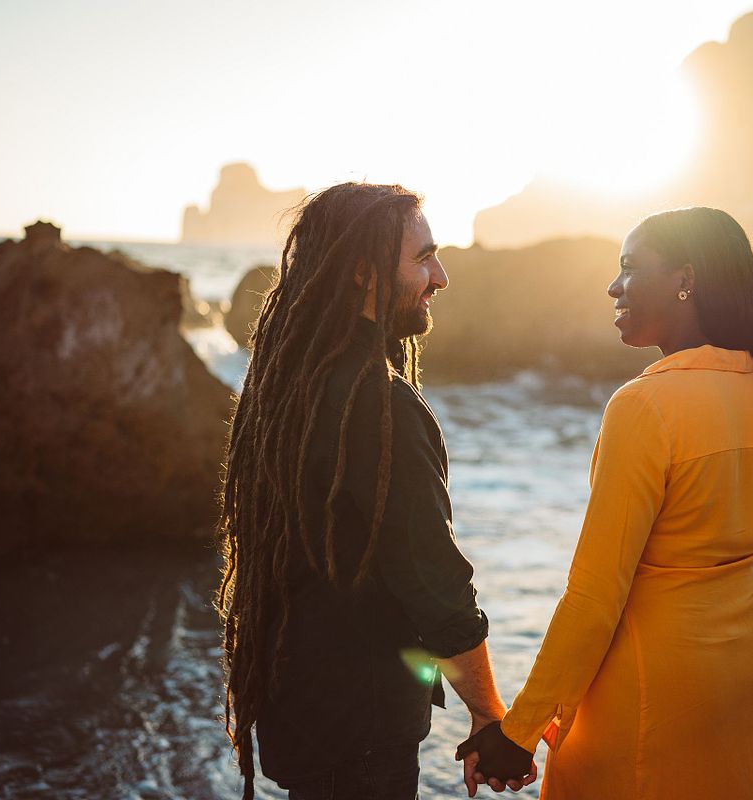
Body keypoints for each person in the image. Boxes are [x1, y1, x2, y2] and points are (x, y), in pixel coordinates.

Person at [457, 207, 753, 798]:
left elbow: (596, 594)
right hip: (743, 672)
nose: (614, 285)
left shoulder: (644, 406)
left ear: (685, 280)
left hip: (648, 684)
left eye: (630, 268)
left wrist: (519, 732)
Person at [216, 182, 533, 800]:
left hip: (301, 714)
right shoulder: (378, 405)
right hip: (358, 736)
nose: (440, 276)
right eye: (423, 258)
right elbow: (436, 582)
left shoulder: (288, 387)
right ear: (364, 273)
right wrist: (492, 718)